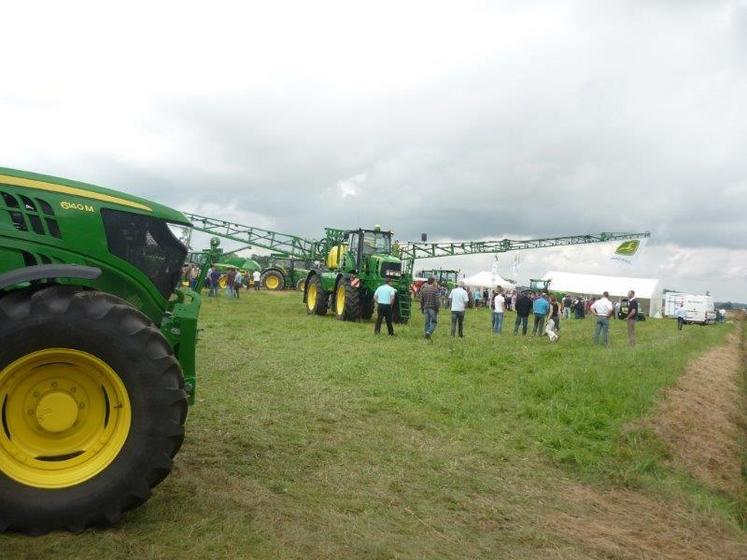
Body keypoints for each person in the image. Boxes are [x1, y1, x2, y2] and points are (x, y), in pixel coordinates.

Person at [420, 276, 440, 340]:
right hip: (433, 308)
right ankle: (429, 332)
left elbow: (421, 300)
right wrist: (437, 309)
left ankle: (426, 336)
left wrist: (422, 308)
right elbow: (437, 301)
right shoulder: (435, 289)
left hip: (425, 308)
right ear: (433, 282)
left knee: (427, 322)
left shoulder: (424, 289)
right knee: (434, 322)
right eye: (435, 281)